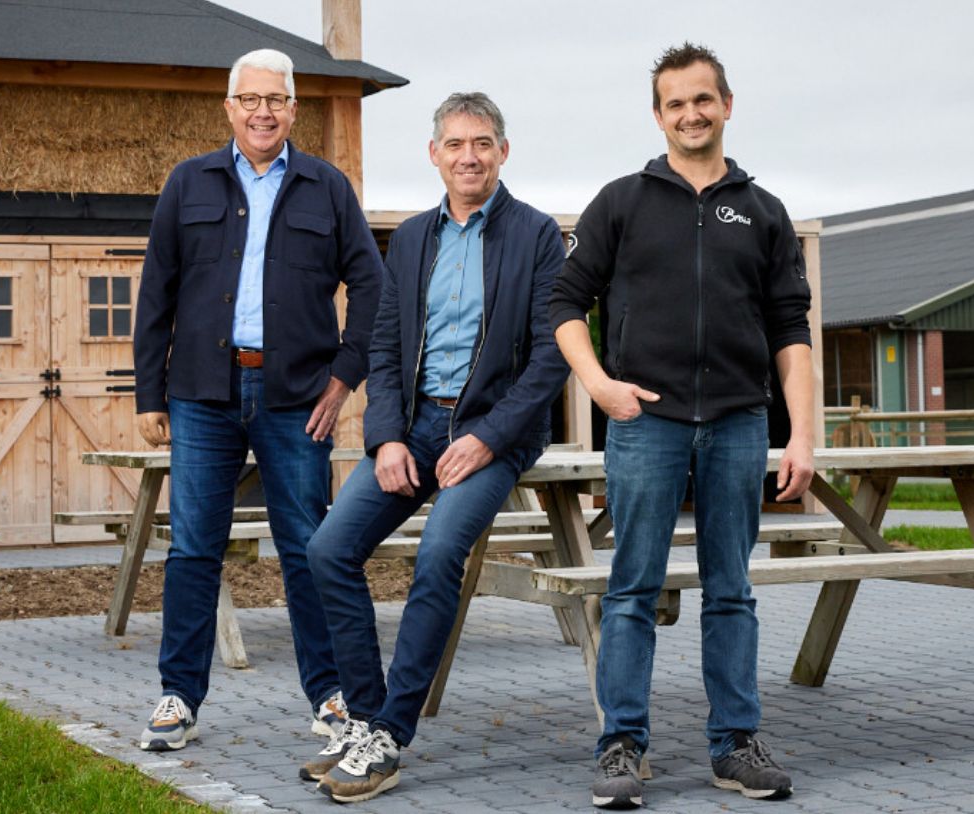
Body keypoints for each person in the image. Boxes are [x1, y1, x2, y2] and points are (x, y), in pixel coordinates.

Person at [548, 43, 815, 807]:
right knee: (632, 589)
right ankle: (621, 746)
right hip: (646, 425)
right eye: (675, 103)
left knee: (731, 590)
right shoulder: (621, 202)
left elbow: (791, 332)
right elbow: (564, 304)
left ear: (726, 105)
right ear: (658, 116)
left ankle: (735, 744)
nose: (691, 114)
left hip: (737, 424)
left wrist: (799, 434)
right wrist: (600, 386)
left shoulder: (762, 212)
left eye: (703, 100)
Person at [302, 92, 570, 803]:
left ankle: (390, 735)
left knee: (437, 556)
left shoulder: (537, 235)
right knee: (328, 550)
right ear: (434, 154)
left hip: (494, 432)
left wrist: (488, 438)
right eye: (455, 144)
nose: (469, 157)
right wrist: (385, 436)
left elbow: (551, 357)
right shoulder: (413, 237)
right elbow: (385, 347)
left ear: (503, 151)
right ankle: (365, 720)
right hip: (415, 428)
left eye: (482, 142)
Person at [132, 48, 381, 752]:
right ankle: (178, 698)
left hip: (297, 397)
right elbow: (156, 292)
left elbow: (372, 288)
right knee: (193, 551)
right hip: (201, 396)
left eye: (276, 99)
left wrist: (344, 378)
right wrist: (149, 391)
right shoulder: (189, 184)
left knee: (309, 548)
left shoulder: (327, 188)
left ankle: (330, 698)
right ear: (230, 108)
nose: (263, 111)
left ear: (294, 110)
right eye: (251, 99)